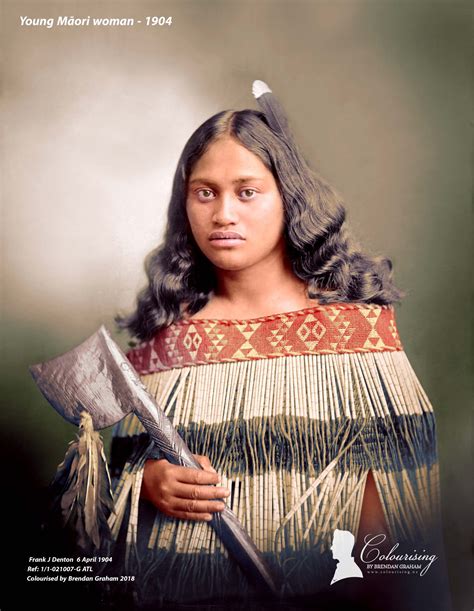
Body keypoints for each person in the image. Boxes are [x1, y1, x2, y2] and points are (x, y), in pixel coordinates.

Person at [79, 85, 450, 610]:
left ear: (288, 197)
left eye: (247, 191)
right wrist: (146, 484)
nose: (223, 213)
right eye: (204, 193)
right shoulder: (166, 341)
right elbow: (96, 509)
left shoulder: (355, 335)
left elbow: (393, 531)